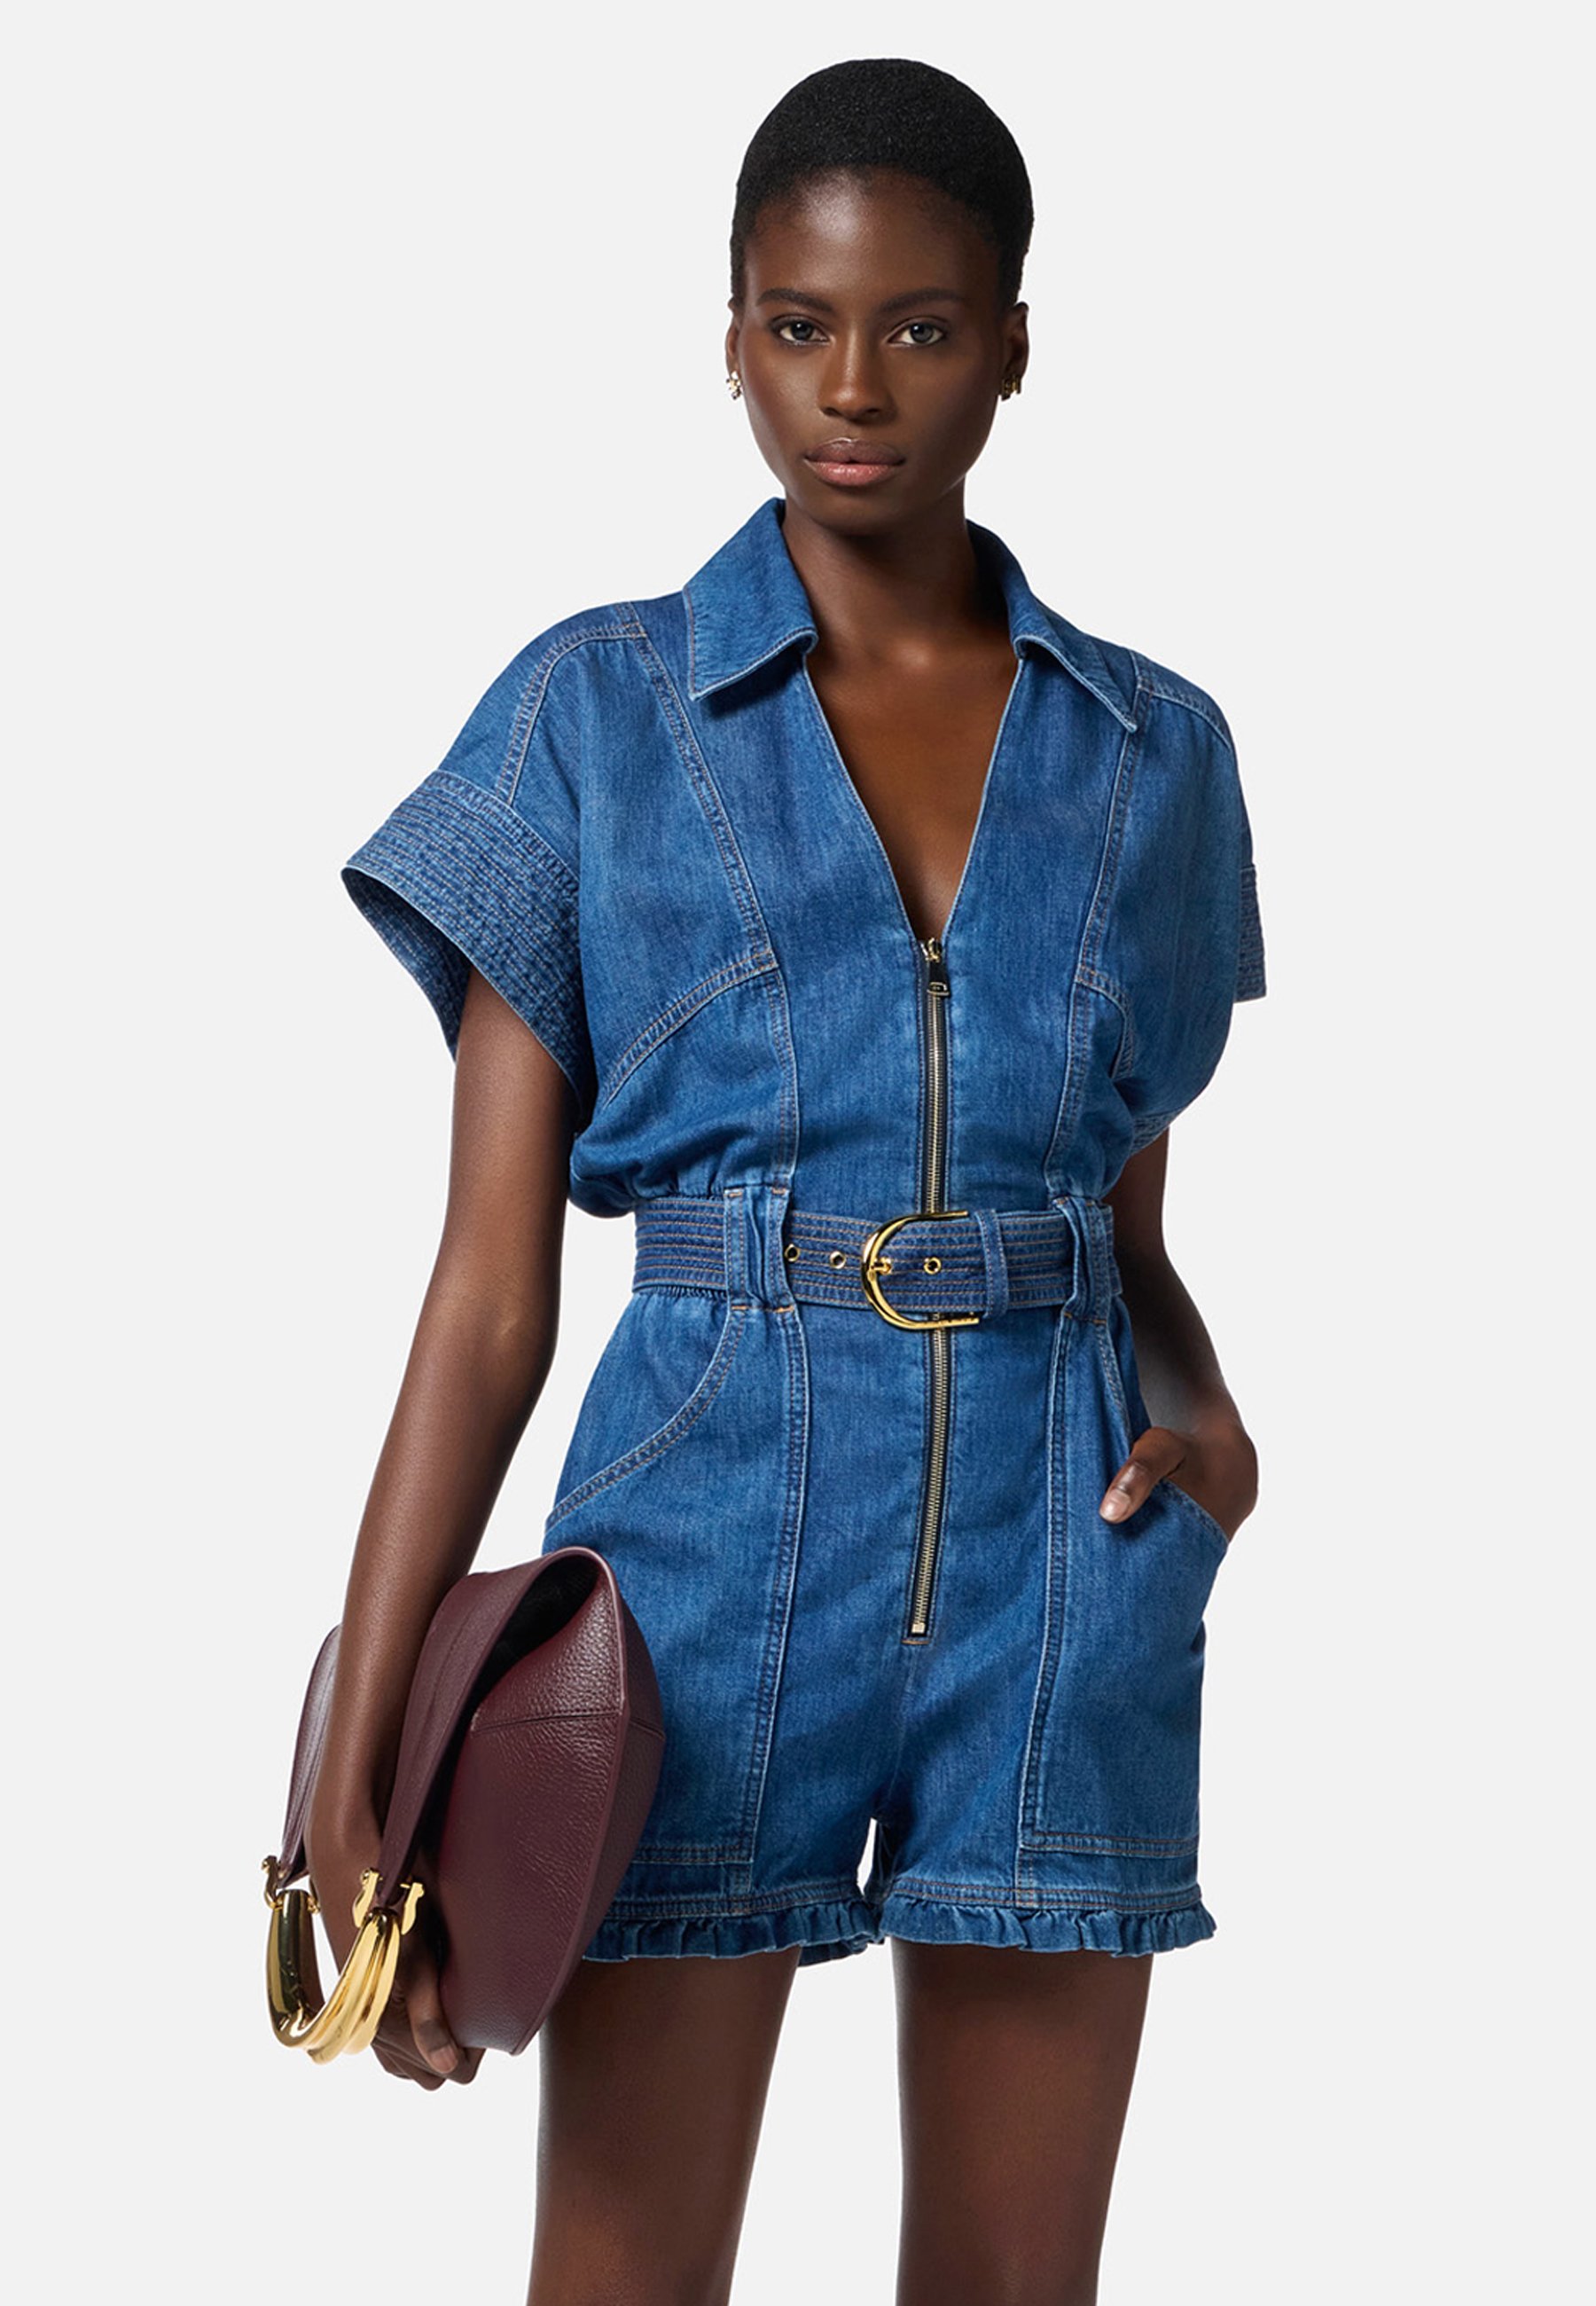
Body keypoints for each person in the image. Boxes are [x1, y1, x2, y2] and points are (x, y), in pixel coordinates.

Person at [309, 55, 1266, 2306]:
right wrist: (360, 1742)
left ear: (1011, 344)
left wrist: (1207, 1409)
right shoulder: (590, 716)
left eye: (919, 328)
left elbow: (1129, 1229)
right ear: (729, 333)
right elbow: (487, 1293)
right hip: (697, 1560)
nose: (853, 389)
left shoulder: (1158, 752)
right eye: (799, 324)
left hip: (1066, 1554)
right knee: (624, 2280)